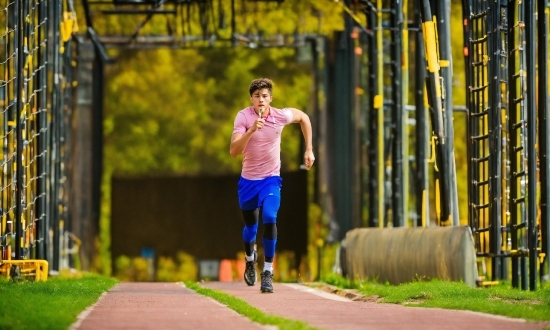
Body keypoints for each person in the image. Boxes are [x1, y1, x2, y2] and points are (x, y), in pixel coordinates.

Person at [230, 78, 315, 293]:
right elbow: (233, 151)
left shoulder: (280, 115)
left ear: (271, 99)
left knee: (269, 217)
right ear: (251, 98)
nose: (261, 100)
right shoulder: (243, 117)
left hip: (271, 179)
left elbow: (303, 117)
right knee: (251, 228)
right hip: (248, 181)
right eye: (257, 96)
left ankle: (267, 272)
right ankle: (250, 259)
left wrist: (309, 149)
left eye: (265, 96)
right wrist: (251, 131)